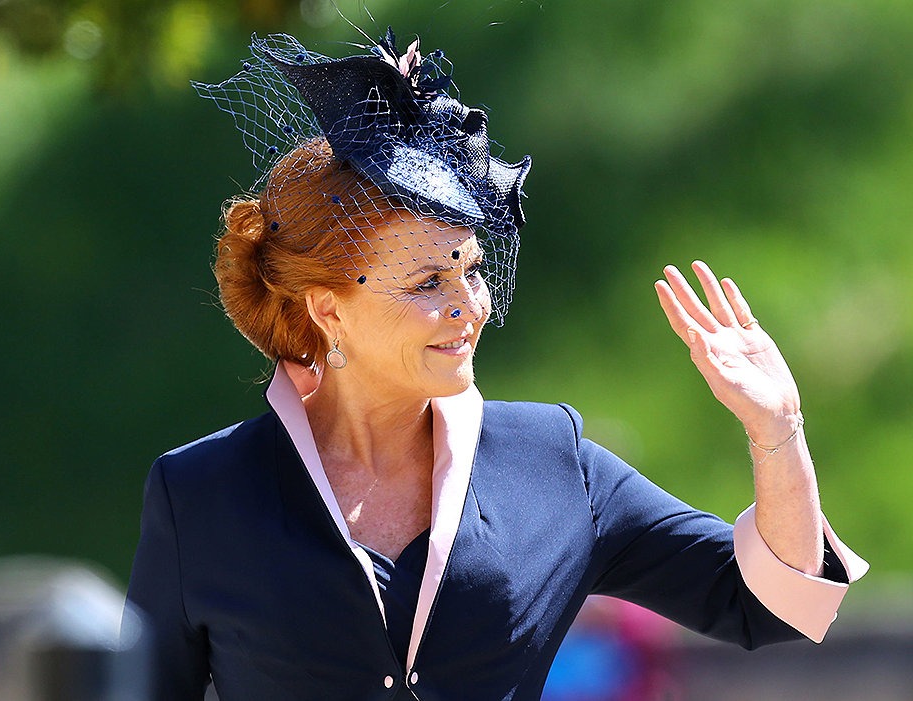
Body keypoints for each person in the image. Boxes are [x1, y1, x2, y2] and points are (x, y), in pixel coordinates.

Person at [124, 28, 868, 701]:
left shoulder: (554, 463)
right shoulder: (199, 496)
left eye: (472, 271)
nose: (468, 306)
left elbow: (777, 603)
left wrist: (778, 427)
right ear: (327, 310)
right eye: (426, 283)